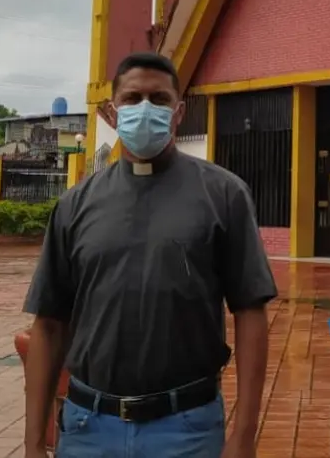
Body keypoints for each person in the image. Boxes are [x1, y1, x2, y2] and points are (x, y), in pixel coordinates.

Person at [22, 51, 277, 458]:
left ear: (179, 112)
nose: (145, 109)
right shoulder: (75, 205)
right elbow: (49, 324)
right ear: (111, 113)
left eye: (158, 99)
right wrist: (34, 443)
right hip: (88, 429)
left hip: (186, 429)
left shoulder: (224, 195)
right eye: (132, 98)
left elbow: (250, 312)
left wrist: (244, 436)